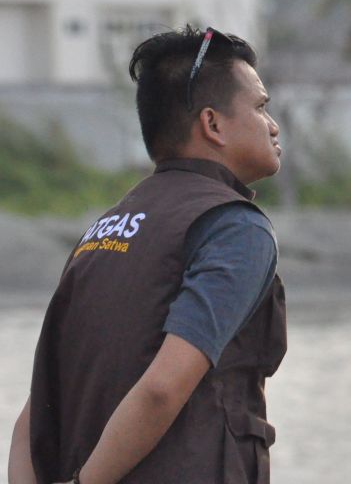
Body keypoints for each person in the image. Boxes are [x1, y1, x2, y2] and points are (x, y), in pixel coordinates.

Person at [7, 26, 287, 484]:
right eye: (260, 107)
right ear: (212, 124)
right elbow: (161, 389)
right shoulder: (235, 228)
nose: (273, 125)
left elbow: (30, 421)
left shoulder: (104, 229)